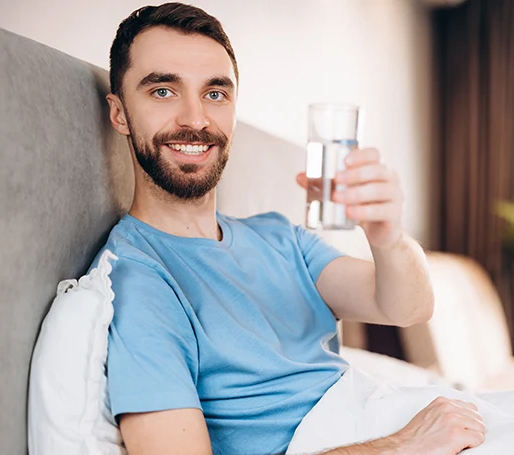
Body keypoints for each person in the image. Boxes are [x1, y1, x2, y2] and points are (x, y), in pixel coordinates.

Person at [97, 3, 486, 454]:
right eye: (163, 91)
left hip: (406, 418)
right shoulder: (139, 280)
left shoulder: (278, 236)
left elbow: (408, 307)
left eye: (215, 93)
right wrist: (404, 445)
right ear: (120, 114)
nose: (196, 119)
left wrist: (388, 236)